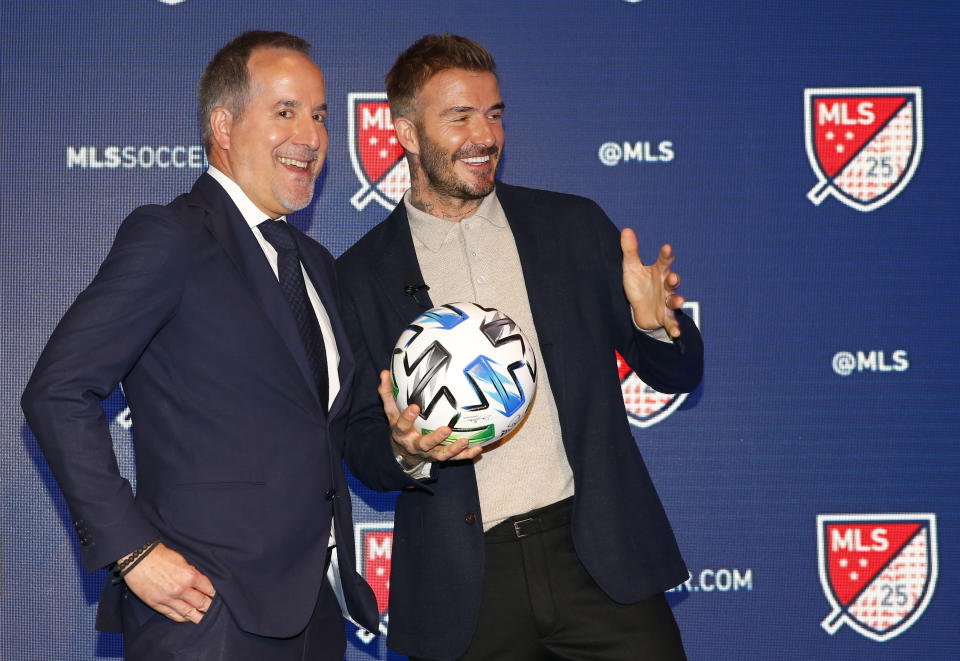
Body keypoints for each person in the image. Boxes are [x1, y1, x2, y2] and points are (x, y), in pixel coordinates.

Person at [337, 34, 704, 661]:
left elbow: (678, 371)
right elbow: (360, 445)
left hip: (599, 564)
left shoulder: (572, 227)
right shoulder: (358, 276)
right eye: (460, 116)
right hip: (466, 590)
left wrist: (655, 324)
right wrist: (404, 449)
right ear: (404, 133)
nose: (485, 135)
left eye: (495, 113)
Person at [21, 30, 377, 660]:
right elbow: (57, 390)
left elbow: (317, 434)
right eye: (286, 111)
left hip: (316, 615)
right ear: (223, 123)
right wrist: (131, 551)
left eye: (319, 115)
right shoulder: (173, 237)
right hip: (206, 614)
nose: (313, 135)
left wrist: (406, 444)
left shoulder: (316, 264)